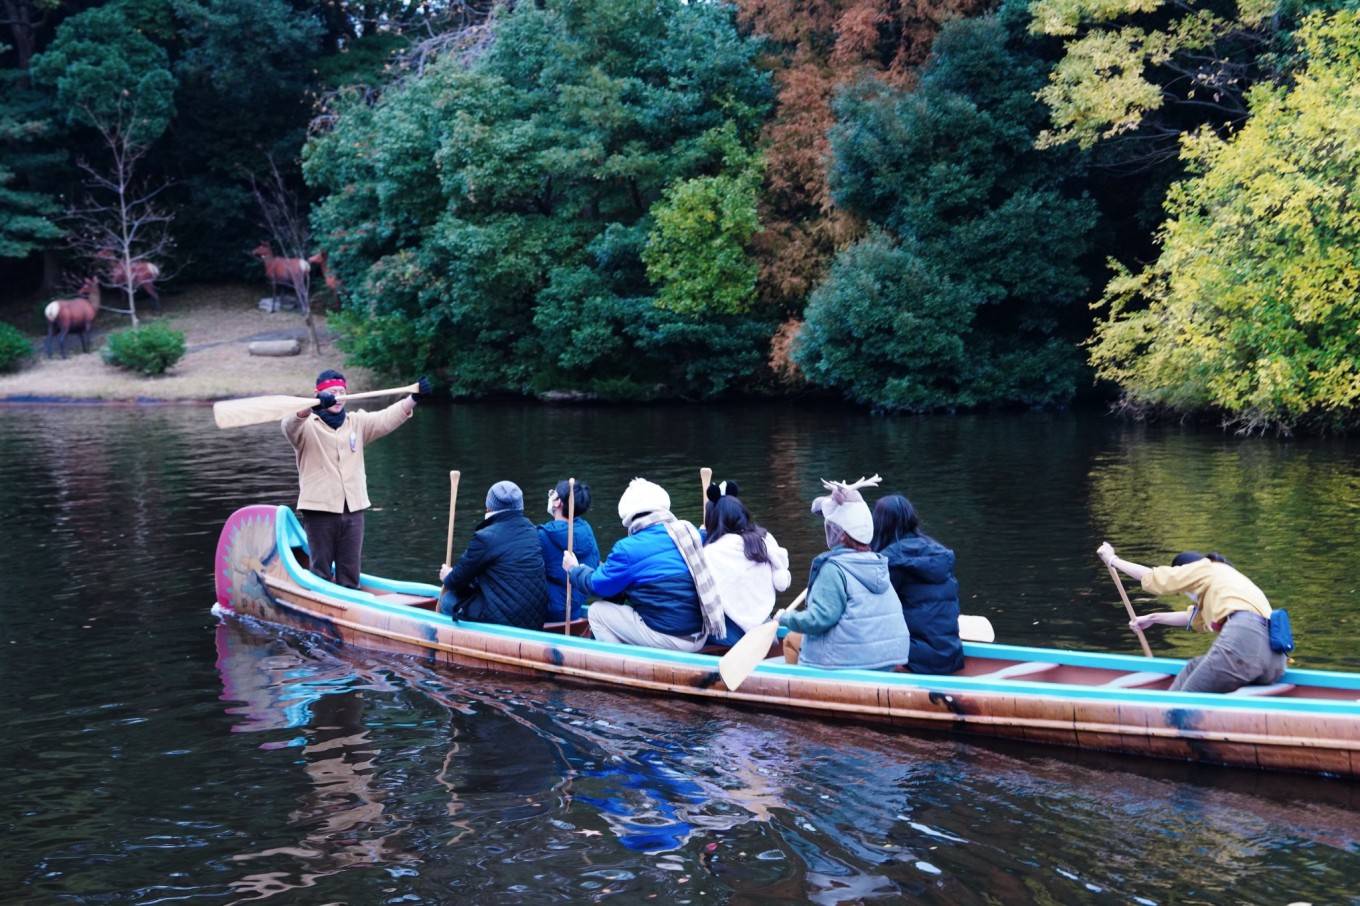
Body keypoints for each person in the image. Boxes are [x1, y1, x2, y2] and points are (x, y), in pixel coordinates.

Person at [282, 369, 429, 588]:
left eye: (342, 392)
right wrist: (312, 405)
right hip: (319, 510)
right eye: (333, 392)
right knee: (320, 569)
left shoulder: (356, 423)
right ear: (318, 394)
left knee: (350, 570)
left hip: (354, 509)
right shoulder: (305, 427)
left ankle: (348, 604)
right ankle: (319, 607)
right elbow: (289, 424)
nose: (338, 397)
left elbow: (385, 418)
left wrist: (413, 399)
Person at [1097, 542, 1288, 693]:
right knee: (1192, 668)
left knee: (1185, 699)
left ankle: (1164, 718)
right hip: (1275, 660)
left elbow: (1154, 577)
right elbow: (1196, 618)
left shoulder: (1203, 568)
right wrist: (1153, 618)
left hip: (1245, 638)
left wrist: (1113, 560)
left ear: (1185, 572)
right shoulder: (1229, 581)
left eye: (1183, 589)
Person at [562, 478, 725, 651]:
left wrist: (574, 569)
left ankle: (619, 664)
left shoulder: (628, 548)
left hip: (671, 639)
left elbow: (597, 585)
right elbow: (703, 535)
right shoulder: (687, 533)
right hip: (700, 634)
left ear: (629, 518)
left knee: (597, 612)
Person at [780, 475, 911, 670]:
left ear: (837, 532)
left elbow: (820, 619)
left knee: (791, 638)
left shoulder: (833, 569)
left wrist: (785, 618)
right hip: (889, 659)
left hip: (848, 663)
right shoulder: (878, 563)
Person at [871, 494, 963, 675]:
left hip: (917, 659)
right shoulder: (939, 552)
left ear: (880, 523)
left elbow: (873, 612)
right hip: (950, 653)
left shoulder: (890, 560)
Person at [438, 481, 549, 629]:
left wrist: (447, 576)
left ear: (489, 506)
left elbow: (456, 581)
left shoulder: (485, 537)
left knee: (448, 601)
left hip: (506, 618)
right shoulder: (531, 530)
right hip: (536, 617)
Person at [703, 494, 791, 646]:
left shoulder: (711, 552)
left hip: (733, 634)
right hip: (763, 622)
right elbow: (781, 583)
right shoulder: (763, 539)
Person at [538, 479, 600, 622]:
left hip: (550, 611)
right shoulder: (587, 530)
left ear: (557, 502)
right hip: (576, 607)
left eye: (552, 493)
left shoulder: (543, 535)